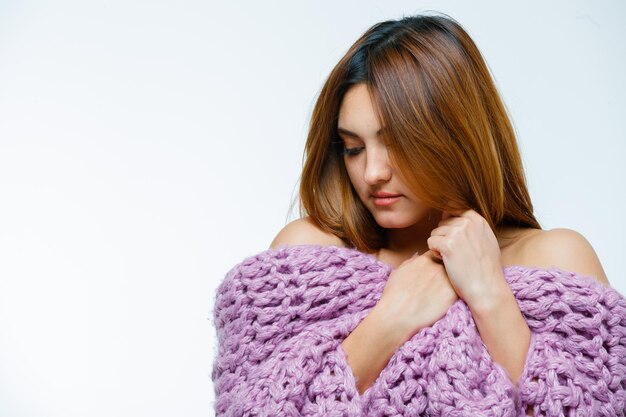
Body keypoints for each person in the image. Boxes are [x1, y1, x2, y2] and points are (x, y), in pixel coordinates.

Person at [212, 12, 624, 417]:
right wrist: (390, 320)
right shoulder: (303, 261)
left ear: (455, 137)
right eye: (353, 148)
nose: (373, 172)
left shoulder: (556, 260)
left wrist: (490, 297)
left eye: (397, 143)